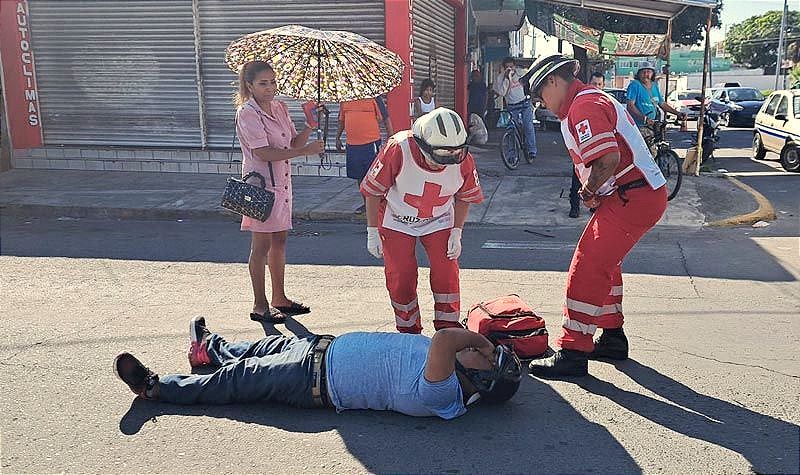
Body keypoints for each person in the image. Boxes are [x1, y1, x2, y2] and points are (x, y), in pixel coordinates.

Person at [524, 55, 668, 377]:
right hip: (636, 193)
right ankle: (612, 337)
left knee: (587, 265)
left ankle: (573, 351)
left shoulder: (583, 106)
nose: (542, 104)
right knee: (606, 266)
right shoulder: (588, 100)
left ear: (553, 81)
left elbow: (607, 159)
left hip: (633, 196)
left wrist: (587, 191)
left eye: (540, 95)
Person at [114, 317, 522, 419]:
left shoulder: (444, 395)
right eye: (489, 351)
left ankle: (155, 387)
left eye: (487, 359)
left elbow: (446, 337)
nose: (483, 351)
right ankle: (207, 348)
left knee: (236, 380)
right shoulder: (450, 373)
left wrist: (486, 341)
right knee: (256, 348)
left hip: (310, 380)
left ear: (480, 380)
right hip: (319, 349)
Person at [360, 108, 483, 333]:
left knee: (446, 273)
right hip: (396, 219)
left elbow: (465, 196)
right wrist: (372, 231)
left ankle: (448, 330)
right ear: (421, 145)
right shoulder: (398, 148)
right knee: (401, 276)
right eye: (438, 158)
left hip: (439, 219)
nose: (442, 165)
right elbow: (373, 191)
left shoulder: (461, 157)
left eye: (451, 157)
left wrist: (457, 231)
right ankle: (408, 330)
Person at [234, 61, 324, 323]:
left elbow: (292, 142)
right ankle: (260, 304)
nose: (270, 88)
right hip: (260, 187)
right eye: (263, 83)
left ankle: (279, 298)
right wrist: (305, 152)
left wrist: (309, 125)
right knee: (261, 246)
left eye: (273, 82)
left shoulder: (279, 108)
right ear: (249, 85)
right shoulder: (247, 113)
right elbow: (263, 152)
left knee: (280, 241)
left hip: (282, 184)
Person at [336, 97, 394, 213]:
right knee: (360, 177)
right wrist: (337, 137)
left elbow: (385, 117)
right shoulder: (345, 98)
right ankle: (366, 204)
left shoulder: (374, 97)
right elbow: (342, 120)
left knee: (375, 176)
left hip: (371, 144)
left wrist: (391, 137)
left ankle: (380, 204)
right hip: (352, 145)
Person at [569, 72, 606, 218]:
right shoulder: (580, 100)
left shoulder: (605, 102)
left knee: (598, 178)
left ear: (603, 86)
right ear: (588, 84)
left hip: (599, 146)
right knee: (577, 178)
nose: (596, 86)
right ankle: (574, 207)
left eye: (599, 84)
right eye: (594, 83)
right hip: (582, 146)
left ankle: (594, 205)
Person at [494, 57, 537, 162]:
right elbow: (502, 93)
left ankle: (531, 151)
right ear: (504, 68)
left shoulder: (521, 73)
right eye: (507, 67)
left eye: (511, 67)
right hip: (512, 106)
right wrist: (506, 79)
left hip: (524, 103)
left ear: (515, 66)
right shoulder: (500, 78)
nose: (510, 69)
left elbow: (531, 79)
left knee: (528, 126)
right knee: (511, 130)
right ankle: (512, 156)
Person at [626, 61, 685, 128]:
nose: (646, 74)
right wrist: (644, 119)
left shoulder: (654, 86)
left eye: (648, 72)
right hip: (638, 126)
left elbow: (662, 104)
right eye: (643, 72)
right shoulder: (635, 85)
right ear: (638, 74)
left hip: (652, 125)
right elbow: (630, 106)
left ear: (652, 74)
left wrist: (677, 113)